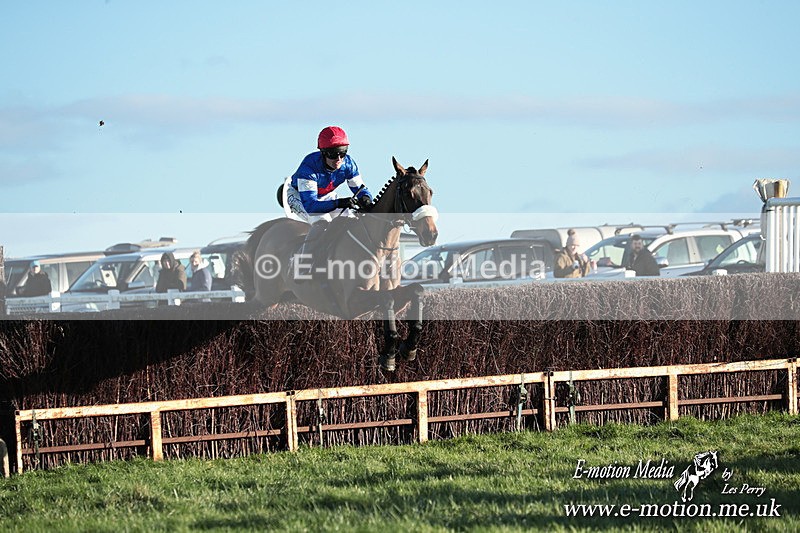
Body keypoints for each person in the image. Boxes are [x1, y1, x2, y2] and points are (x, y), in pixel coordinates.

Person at [288, 126, 374, 279]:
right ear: (323, 153)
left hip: (325, 196)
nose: (339, 159)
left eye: (343, 153)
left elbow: (360, 189)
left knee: (351, 219)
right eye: (334, 155)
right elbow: (312, 206)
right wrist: (339, 203)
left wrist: (366, 199)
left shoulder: (348, 164)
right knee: (321, 222)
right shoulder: (309, 167)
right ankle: (302, 265)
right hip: (300, 197)